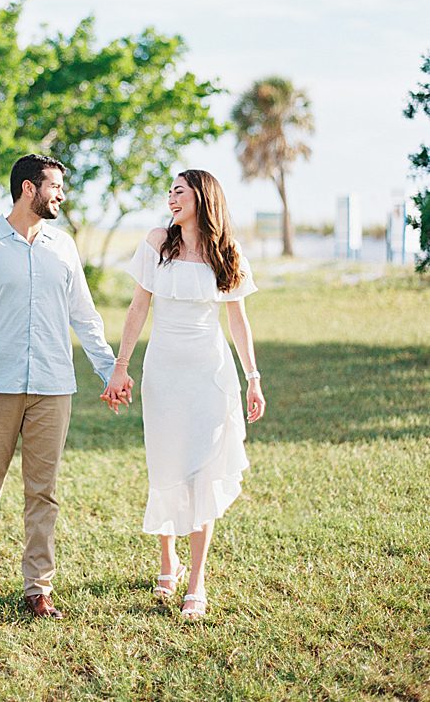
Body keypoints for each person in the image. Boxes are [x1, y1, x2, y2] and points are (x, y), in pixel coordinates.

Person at [0, 153, 127, 619]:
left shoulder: (63, 246)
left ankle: (37, 588)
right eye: (55, 187)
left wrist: (109, 372)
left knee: (43, 491)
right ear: (29, 188)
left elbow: (85, 318)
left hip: (53, 387)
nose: (61, 195)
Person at [102, 169, 265, 621]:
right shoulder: (158, 241)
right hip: (164, 373)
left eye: (179, 191)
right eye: (169, 191)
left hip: (209, 374)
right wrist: (121, 366)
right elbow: (139, 306)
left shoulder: (228, 254)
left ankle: (197, 581)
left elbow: (238, 322)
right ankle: (166, 560)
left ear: (202, 196)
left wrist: (252, 376)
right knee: (168, 462)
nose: (171, 198)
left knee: (202, 471)